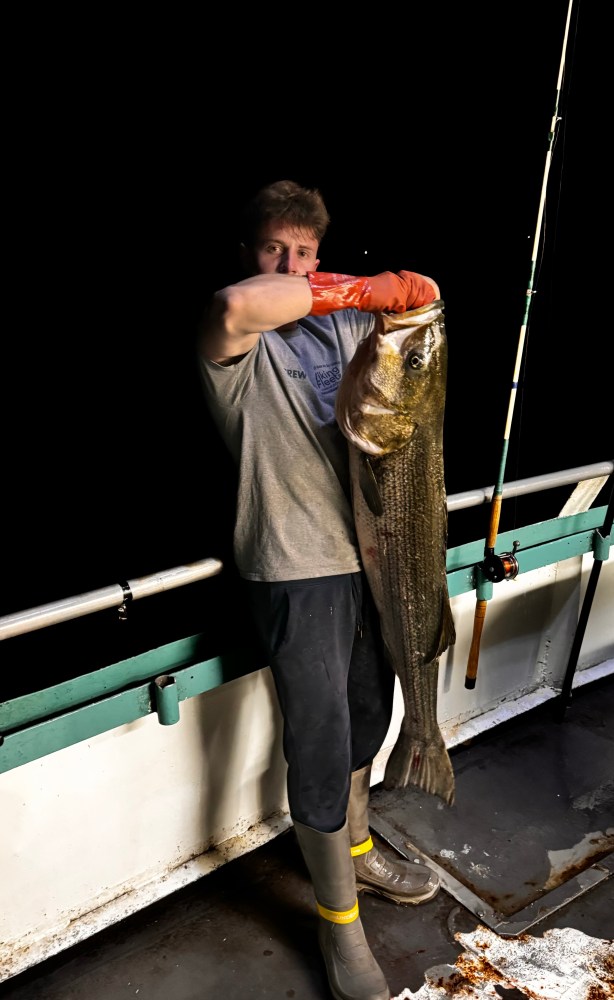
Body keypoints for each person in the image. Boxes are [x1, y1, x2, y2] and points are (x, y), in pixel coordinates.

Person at [198, 179, 441, 1000]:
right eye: (276, 248)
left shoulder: (342, 327)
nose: (290, 262)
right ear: (251, 251)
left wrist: (414, 305)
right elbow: (238, 307)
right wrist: (362, 289)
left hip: (375, 556)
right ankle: (340, 931)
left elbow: (409, 353)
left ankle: (361, 857)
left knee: (371, 715)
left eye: (305, 251)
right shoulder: (239, 350)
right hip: (296, 566)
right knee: (321, 741)